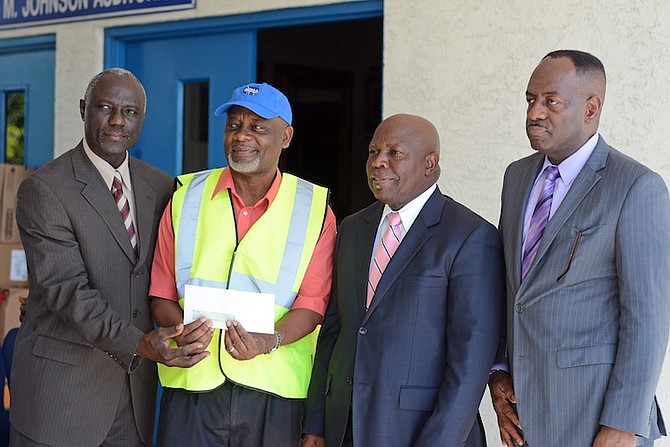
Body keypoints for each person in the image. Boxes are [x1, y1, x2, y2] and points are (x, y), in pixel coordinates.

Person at [10, 68, 211, 447]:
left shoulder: (163, 185)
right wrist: (142, 344)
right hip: (61, 398)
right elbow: (66, 290)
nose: (118, 120)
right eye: (105, 107)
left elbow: (176, 271)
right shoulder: (45, 189)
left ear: (142, 119)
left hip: (134, 397)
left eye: (130, 112)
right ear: (84, 109)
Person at [489, 50, 670, 447]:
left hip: (595, 416)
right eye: (530, 100)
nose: (535, 113)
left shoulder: (635, 186)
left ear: (591, 108)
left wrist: (624, 423)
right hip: (526, 414)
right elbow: (512, 288)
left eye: (551, 101)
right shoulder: (517, 176)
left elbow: (647, 318)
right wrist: (499, 370)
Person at [149, 82, 337, 446]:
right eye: (234, 125)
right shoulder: (185, 197)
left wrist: (271, 339)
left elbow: (314, 305)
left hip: (273, 393)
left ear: (286, 136)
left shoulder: (313, 210)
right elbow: (160, 291)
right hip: (193, 385)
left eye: (257, 127)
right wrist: (180, 330)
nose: (242, 136)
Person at [302, 113, 505, 446]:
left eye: (394, 153)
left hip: (419, 431)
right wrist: (316, 424)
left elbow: (471, 361)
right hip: (345, 428)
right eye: (372, 152)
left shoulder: (469, 235)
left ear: (430, 163)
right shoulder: (353, 228)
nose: (378, 163)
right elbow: (334, 332)